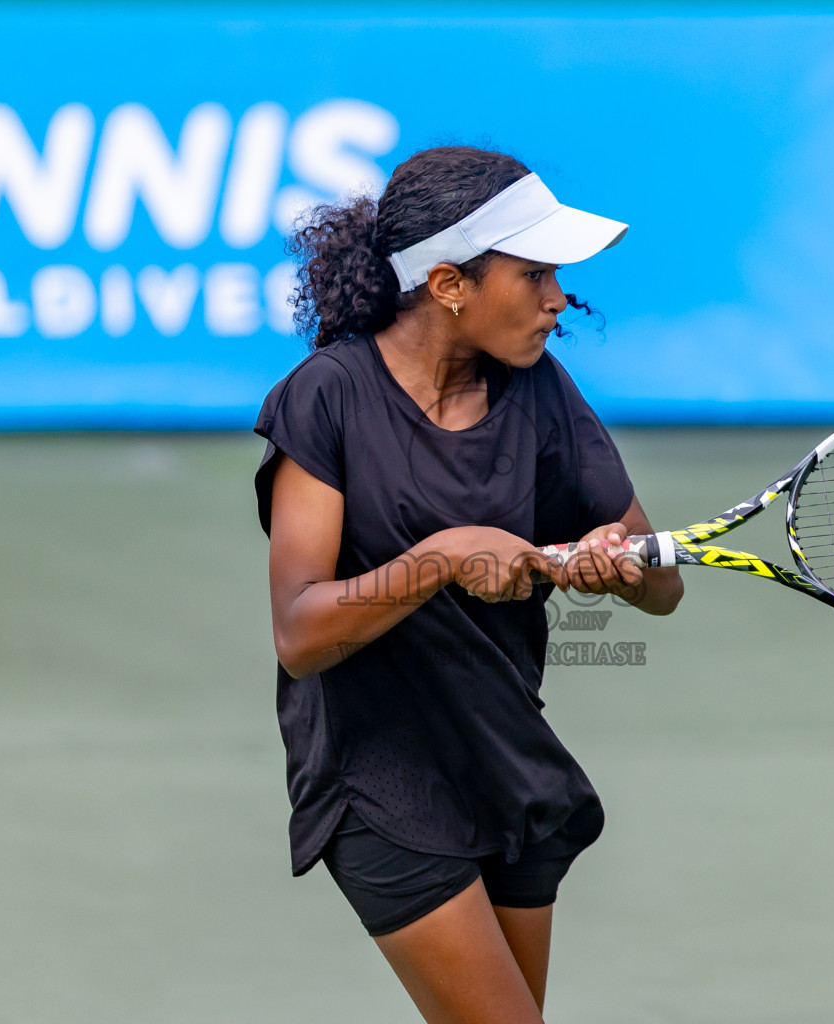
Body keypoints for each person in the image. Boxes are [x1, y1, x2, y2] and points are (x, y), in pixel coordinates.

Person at [255, 146, 684, 1024]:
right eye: (532, 274)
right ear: (449, 283)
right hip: (378, 777)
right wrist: (445, 556)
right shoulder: (326, 399)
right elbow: (299, 632)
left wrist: (615, 565)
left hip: (505, 758)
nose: (558, 297)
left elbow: (660, 579)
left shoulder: (540, 392)